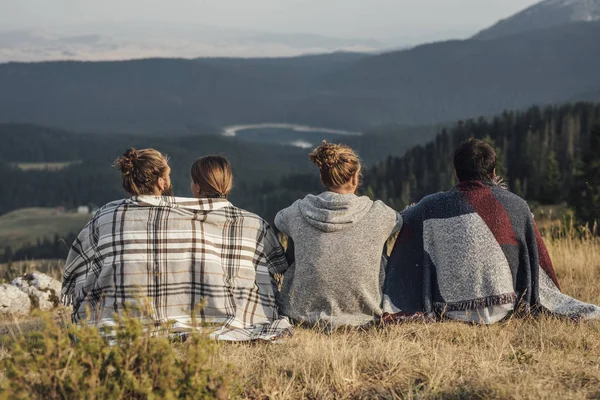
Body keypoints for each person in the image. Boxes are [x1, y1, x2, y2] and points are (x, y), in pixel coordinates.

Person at [61, 150, 291, 341]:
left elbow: (77, 268)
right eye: (168, 175)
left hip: (115, 319)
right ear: (161, 182)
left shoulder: (106, 214)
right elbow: (278, 265)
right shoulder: (245, 222)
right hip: (225, 317)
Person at [383, 138, 600, 323]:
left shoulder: (429, 206)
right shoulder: (517, 206)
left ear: (456, 173)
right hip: (505, 306)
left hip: (451, 310)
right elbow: (536, 260)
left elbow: (398, 221)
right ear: (493, 172)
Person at [275, 141, 402, 328]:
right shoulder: (379, 214)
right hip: (364, 318)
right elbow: (399, 221)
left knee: (296, 239)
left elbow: (279, 220)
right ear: (355, 177)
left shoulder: (297, 211)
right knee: (379, 246)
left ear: (322, 177)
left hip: (301, 316)